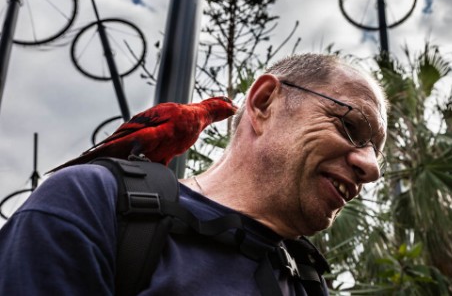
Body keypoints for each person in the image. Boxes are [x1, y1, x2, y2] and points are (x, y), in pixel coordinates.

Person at [0, 53, 388, 295]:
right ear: (264, 102)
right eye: (350, 126)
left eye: (377, 155)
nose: (371, 168)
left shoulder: (307, 277)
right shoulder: (93, 202)